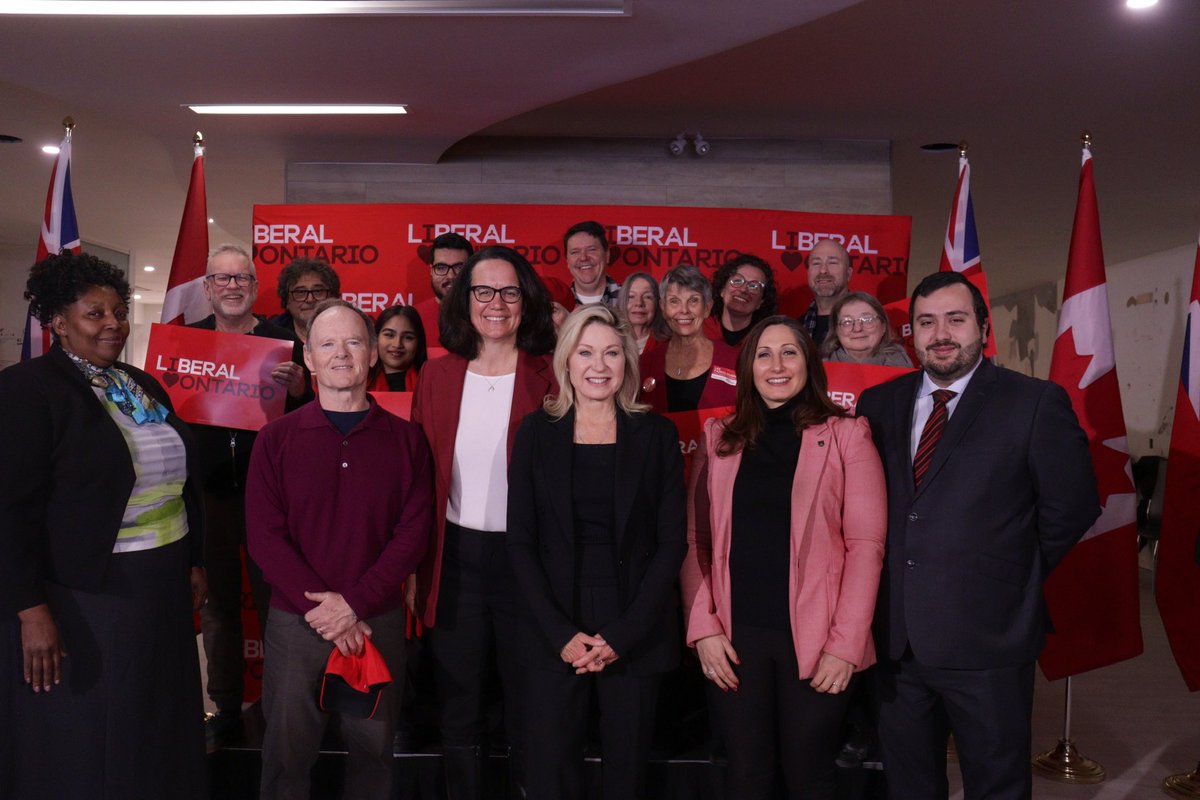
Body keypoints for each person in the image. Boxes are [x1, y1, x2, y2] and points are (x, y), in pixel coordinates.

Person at [855, 271, 1100, 800]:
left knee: (996, 785)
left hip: (990, 638)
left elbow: (1072, 506)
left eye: (955, 319)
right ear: (911, 334)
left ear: (983, 328)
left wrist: (1005, 570)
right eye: (926, 322)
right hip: (898, 640)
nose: (940, 333)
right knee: (909, 784)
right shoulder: (879, 405)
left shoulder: (1034, 403)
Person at [1, 252, 208, 799]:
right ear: (58, 322)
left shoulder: (140, 384)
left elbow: (182, 477)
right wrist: (28, 607)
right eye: (95, 314)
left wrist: (192, 560)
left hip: (160, 584)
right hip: (89, 594)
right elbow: (11, 509)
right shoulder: (27, 389)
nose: (113, 323)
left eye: (119, 311)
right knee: (95, 737)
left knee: (156, 721)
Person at [681, 315, 886, 799]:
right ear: (748, 367)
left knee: (808, 775)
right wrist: (703, 629)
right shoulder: (719, 437)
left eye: (789, 352)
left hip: (819, 643)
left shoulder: (846, 435)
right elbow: (695, 540)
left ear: (808, 363)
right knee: (746, 774)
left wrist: (845, 645)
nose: (777, 364)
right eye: (764, 354)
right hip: (734, 640)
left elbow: (866, 547)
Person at [245, 299, 433, 800]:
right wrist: (328, 610)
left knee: (374, 757)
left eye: (354, 342)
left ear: (373, 353)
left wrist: (353, 606)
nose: (342, 354)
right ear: (308, 356)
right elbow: (265, 537)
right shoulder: (276, 439)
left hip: (376, 622)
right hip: (296, 624)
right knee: (285, 757)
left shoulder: (408, 441)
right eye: (328, 343)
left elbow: (413, 534)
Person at [507, 306, 687, 800]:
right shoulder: (535, 433)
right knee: (548, 773)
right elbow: (520, 541)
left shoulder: (657, 436)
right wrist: (560, 634)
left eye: (612, 353)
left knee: (626, 776)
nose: (599, 365)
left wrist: (623, 635)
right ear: (566, 361)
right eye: (586, 352)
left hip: (634, 622)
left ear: (628, 363)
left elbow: (673, 543)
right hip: (553, 622)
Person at [410, 245, 557, 799]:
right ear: (464, 300)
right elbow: (421, 481)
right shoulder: (437, 375)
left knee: (529, 710)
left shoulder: (553, 376)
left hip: (530, 567)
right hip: (456, 563)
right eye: (483, 291)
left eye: (510, 291)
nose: (496, 303)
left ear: (527, 301)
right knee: (459, 710)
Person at [189, 243, 311, 747]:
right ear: (208, 288)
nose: (233, 286)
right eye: (223, 279)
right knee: (217, 606)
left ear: (255, 288)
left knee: (276, 606)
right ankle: (225, 707)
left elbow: (312, 419)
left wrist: (302, 387)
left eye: (242, 279)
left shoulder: (284, 342)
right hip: (207, 494)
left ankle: (281, 708)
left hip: (271, 497)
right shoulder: (187, 343)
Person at [638, 265, 738, 413]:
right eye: (674, 301)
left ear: (707, 307)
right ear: (663, 308)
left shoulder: (735, 360)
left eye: (693, 300)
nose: (684, 310)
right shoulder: (644, 364)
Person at [414, 231, 474, 351]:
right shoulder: (414, 318)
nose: (451, 276)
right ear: (431, 270)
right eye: (441, 268)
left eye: (459, 267)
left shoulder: (488, 315)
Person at [704, 254, 779, 349]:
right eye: (737, 281)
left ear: (760, 302)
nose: (743, 290)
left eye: (754, 286)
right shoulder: (699, 330)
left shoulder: (766, 340)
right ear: (722, 290)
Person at [821, 291, 912, 367]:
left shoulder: (902, 364)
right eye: (847, 322)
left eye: (867, 320)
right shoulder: (819, 367)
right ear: (836, 330)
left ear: (883, 326)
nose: (857, 328)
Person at [269, 257, 341, 343]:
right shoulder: (271, 335)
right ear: (287, 300)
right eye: (301, 292)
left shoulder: (349, 329)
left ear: (332, 297)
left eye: (318, 291)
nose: (310, 300)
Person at [801, 239, 853, 345]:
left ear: (848, 274)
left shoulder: (867, 325)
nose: (823, 270)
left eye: (832, 263)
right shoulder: (796, 328)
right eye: (816, 263)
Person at [370, 304, 427, 392]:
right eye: (389, 335)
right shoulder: (357, 383)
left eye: (408, 337)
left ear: (418, 342)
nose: (397, 344)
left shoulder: (433, 384)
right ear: (376, 337)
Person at [564, 220, 620, 307]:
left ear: (607, 255)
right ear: (567, 261)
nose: (583, 257)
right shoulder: (557, 305)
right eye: (575, 252)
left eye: (591, 250)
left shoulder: (630, 301)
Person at [616, 271, 667, 354]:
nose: (639, 303)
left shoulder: (671, 346)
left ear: (658, 304)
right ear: (622, 302)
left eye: (647, 297)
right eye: (631, 296)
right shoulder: (609, 341)